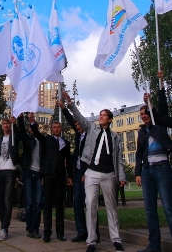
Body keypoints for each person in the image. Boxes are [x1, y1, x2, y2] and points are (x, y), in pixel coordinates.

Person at [71, 105, 126, 252]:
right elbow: (79, 117)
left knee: (111, 206)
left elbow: (119, 159)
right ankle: (91, 241)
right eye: (100, 114)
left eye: (104, 115)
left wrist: (121, 176)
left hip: (109, 174)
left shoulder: (115, 137)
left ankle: (116, 240)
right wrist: (70, 104)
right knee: (90, 205)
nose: (100, 116)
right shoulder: (92, 129)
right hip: (92, 172)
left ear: (110, 119)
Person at [58, 92, 100, 243]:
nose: (77, 126)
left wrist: (69, 104)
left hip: (87, 172)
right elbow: (70, 120)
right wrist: (63, 108)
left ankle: (94, 233)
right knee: (77, 203)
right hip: (76, 173)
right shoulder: (78, 135)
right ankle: (82, 231)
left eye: (79, 124)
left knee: (90, 202)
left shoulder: (91, 134)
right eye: (76, 125)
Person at [135, 85, 172, 252]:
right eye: (141, 114)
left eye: (145, 113)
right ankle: (154, 246)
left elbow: (163, 108)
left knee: (168, 209)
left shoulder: (160, 125)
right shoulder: (142, 133)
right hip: (147, 171)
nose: (143, 116)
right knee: (150, 211)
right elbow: (138, 153)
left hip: (162, 169)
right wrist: (137, 173)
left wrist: (156, 95)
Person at [30, 120, 72, 243]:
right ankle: (47, 232)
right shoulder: (47, 139)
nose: (56, 129)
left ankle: (60, 232)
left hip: (60, 175)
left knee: (60, 204)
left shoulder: (66, 143)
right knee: (47, 204)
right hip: (48, 174)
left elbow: (68, 160)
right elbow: (37, 134)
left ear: (61, 129)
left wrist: (69, 175)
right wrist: (32, 121)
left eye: (58, 127)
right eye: (54, 127)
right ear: (52, 129)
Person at [0, 116, 21, 241]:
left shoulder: (14, 137)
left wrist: (15, 123)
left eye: (7, 123)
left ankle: (5, 228)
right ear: (1, 125)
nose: (5, 125)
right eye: (4, 123)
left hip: (10, 170)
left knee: (7, 200)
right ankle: (2, 226)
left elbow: (20, 133)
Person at [17, 112, 42, 239]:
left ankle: (36, 228)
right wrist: (20, 118)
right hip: (28, 172)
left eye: (33, 128)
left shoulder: (42, 140)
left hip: (38, 173)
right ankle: (29, 228)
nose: (31, 130)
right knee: (29, 202)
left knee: (37, 203)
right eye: (29, 128)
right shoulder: (27, 139)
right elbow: (21, 130)